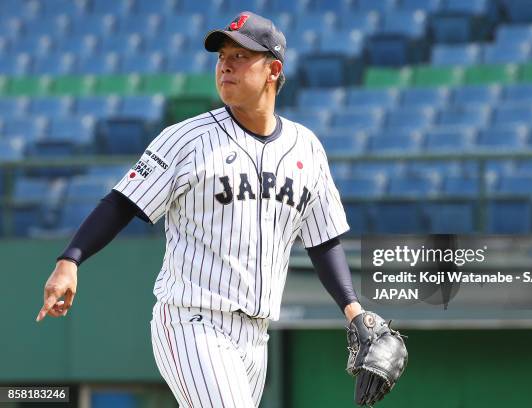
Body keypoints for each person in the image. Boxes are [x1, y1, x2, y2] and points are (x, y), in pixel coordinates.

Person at [36, 11, 404, 407]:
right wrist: (70, 260)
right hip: (193, 321)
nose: (226, 63)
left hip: (256, 336)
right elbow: (123, 202)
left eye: (241, 55)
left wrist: (353, 311)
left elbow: (322, 241)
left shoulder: (307, 148)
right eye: (221, 55)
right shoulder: (185, 139)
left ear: (273, 70)